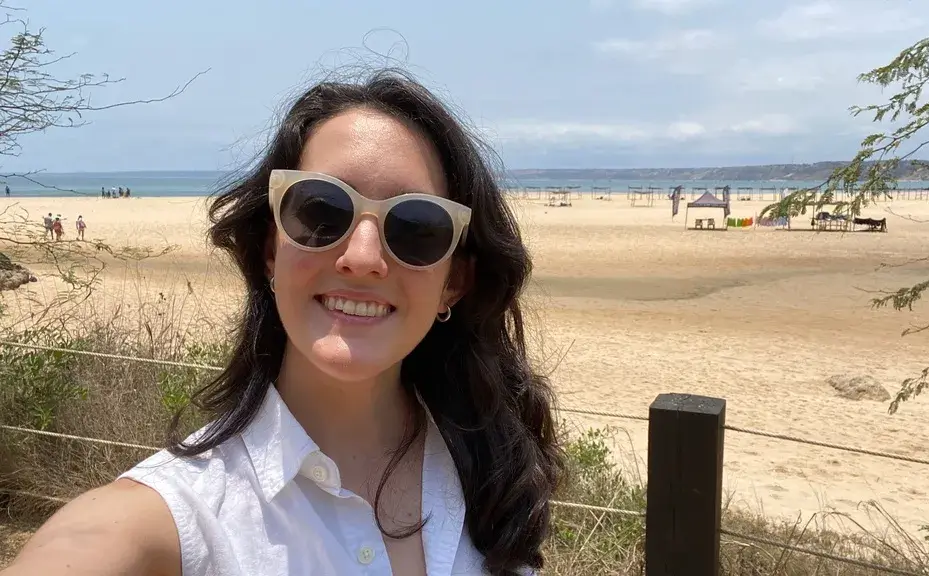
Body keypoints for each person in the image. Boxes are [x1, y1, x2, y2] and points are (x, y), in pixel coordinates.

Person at [1, 69, 563, 576]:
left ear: (454, 282)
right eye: (321, 211)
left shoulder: (492, 479)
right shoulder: (178, 520)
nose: (363, 256)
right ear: (272, 250)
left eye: (416, 227)